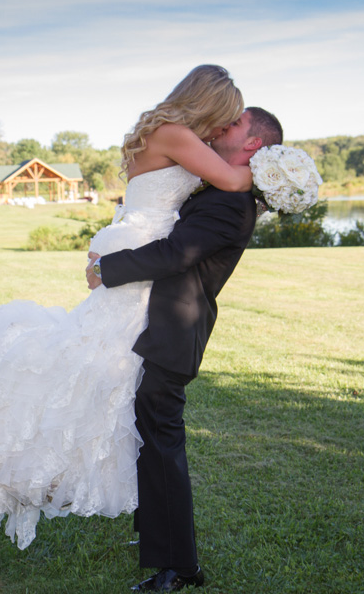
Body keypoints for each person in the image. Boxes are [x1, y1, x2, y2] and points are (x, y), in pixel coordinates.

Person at [0, 65, 257, 553]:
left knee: (111, 380)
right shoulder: (176, 134)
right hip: (140, 253)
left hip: (136, 248)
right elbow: (234, 179)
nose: (222, 131)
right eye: (225, 119)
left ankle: (138, 518)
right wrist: (278, 171)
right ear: (209, 103)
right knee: (106, 375)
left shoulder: (167, 133)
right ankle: (38, 464)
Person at [86, 106, 283, 591]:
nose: (221, 127)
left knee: (161, 441)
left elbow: (176, 255)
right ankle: (159, 538)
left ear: (253, 143)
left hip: (173, 334)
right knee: (146, 439)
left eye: (234, 124)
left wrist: (106, 270)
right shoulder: (217, 188)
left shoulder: (231, 205)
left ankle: (181, 567)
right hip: (153, 325)